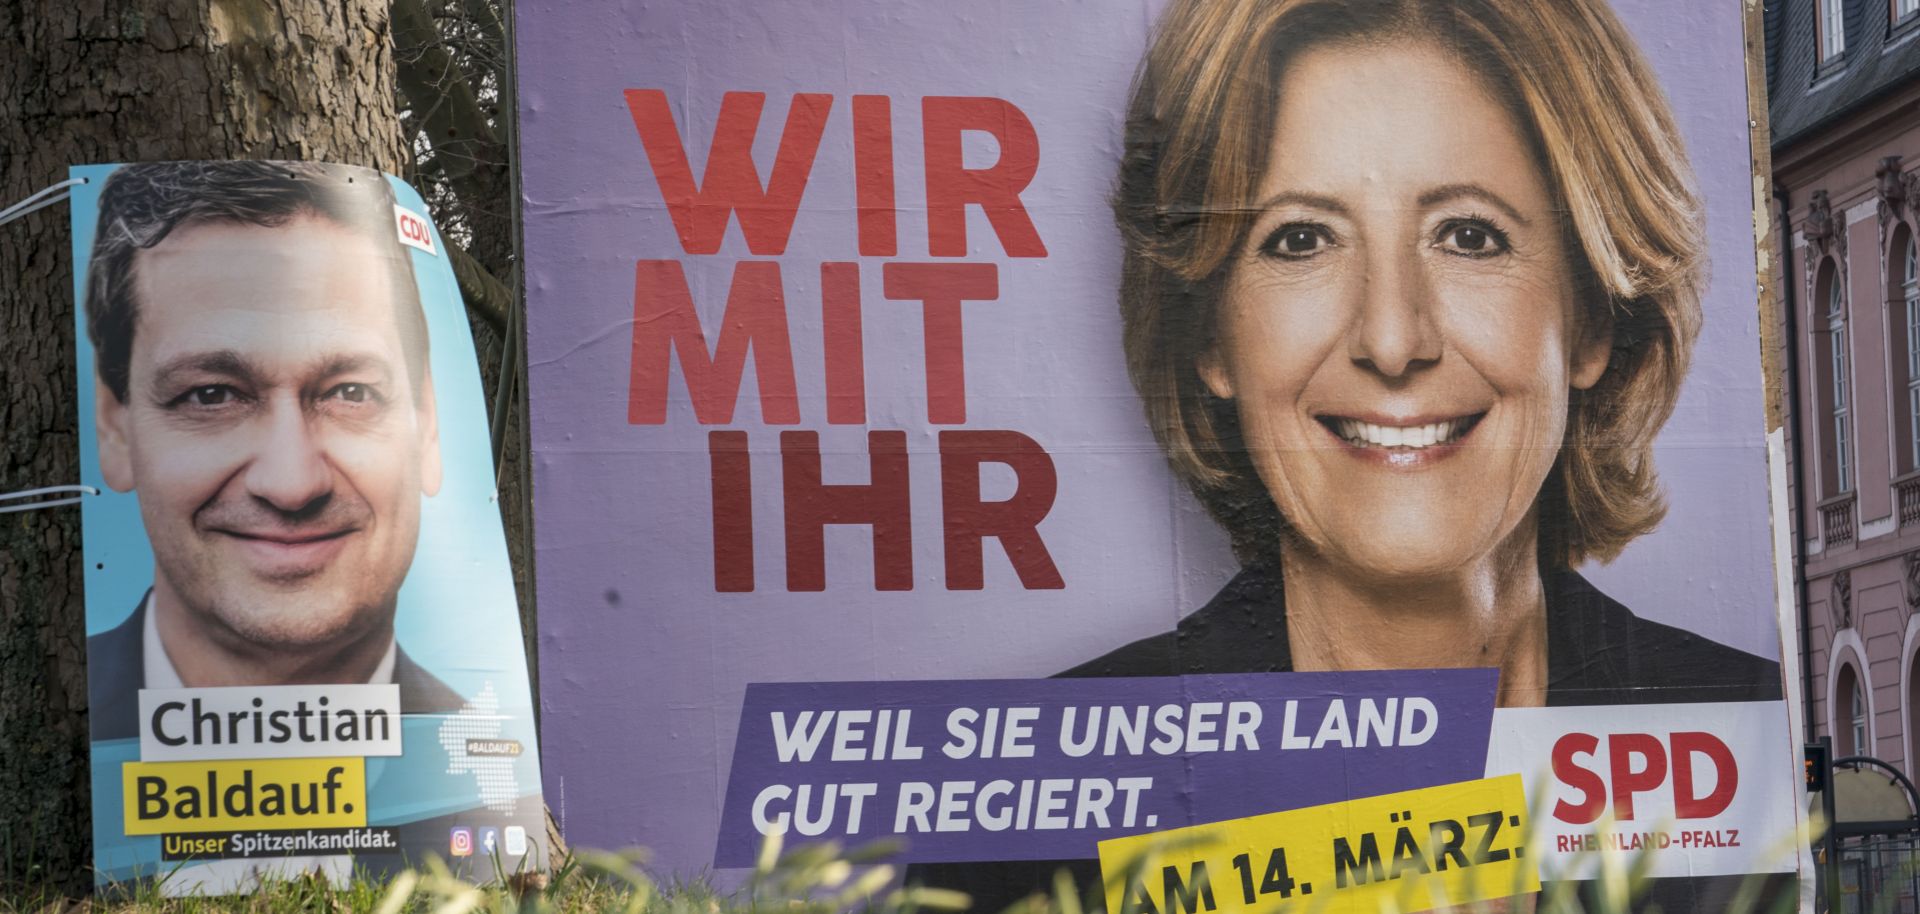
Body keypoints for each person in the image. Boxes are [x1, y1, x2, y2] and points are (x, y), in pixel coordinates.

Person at [910, 0, 1786, 909]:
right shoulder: (1020, 831)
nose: (1393, 337)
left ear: (1595, 312)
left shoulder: (1750, 738)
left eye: (1469, 235)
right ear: (1211, 334)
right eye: (1301, 239)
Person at [83, 161, 464, 743]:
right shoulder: (38, 749)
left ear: (427, 422)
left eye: (351, 393)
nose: (292, 484)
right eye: (211, 395)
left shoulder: (489, 771)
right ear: (114, 423)